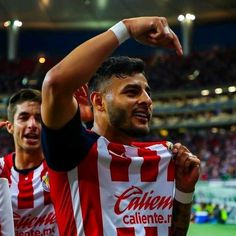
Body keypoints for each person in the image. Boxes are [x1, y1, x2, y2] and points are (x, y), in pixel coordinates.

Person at [41, 16, 200, 235]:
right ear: (98, 101)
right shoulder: (74, 150)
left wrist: (184, 190)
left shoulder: (156, 159)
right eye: (132, 92)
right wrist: (126, 28)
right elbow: (55, 84)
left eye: (148, 92)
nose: (147, 100)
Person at [0, 89, 59, 235]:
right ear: (10, 126)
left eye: (39, 119)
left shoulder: (61, 168)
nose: (32, 124)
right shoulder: (0, 169)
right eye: (24, 117)